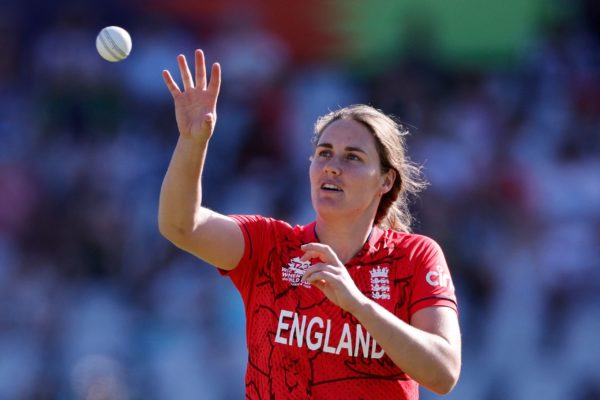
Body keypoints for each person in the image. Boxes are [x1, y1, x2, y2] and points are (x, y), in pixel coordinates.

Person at [158, 49, 461, 399]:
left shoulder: (414, 256)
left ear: (386, 181)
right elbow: (179, 225)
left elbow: (444, 373)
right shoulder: (269, 246)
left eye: (353, 157)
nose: (332, 166)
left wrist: (358, 304)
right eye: (324, 153)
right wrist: (192, 142)